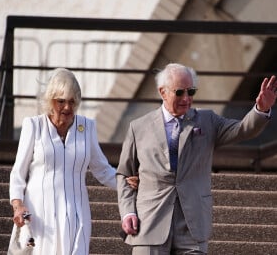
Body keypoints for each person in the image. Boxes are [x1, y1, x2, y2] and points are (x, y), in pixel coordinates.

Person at [116, 63, 277, 255]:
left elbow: (243, 129)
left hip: (192, 224)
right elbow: (124, 174)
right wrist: (128, 212)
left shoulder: (207, 120)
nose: (186, 98)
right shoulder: (138, 127)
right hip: (149, 222)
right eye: (179, 93)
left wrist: (260, 109)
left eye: (191, 91)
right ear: (163, 92)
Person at [8, 68, 137, 255]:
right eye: (61, 101)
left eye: (72, 101)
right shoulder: (34, 125)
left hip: (76, 211)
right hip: (39, 213)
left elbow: (102, 169)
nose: (67, 108)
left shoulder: (87, 126)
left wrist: (125, 182)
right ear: (50, 100)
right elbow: (18, 172)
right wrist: (18, 206)